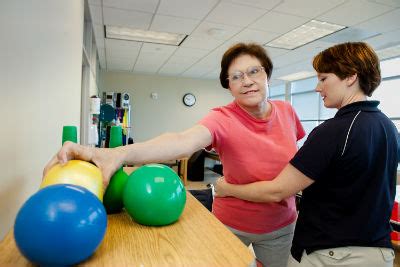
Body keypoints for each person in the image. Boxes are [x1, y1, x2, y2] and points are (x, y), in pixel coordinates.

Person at [44, 43, 305, 267]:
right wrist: (115, 153)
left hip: (281, 227)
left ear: (267, 74)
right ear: (228, 86)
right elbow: (181, 141)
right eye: (235, 77)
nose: (246, 81)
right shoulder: (222, 118)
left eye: (253, 71)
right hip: (231, 224)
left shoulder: (287, 111)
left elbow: (294, 162)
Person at [215, 42, 399, 267]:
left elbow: (277, 190)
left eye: (323, 79)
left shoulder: (332, 131)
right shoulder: (388, 127)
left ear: (351, 77)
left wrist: (226, 189)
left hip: (331, 254)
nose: (317, 87)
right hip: (378, 253)